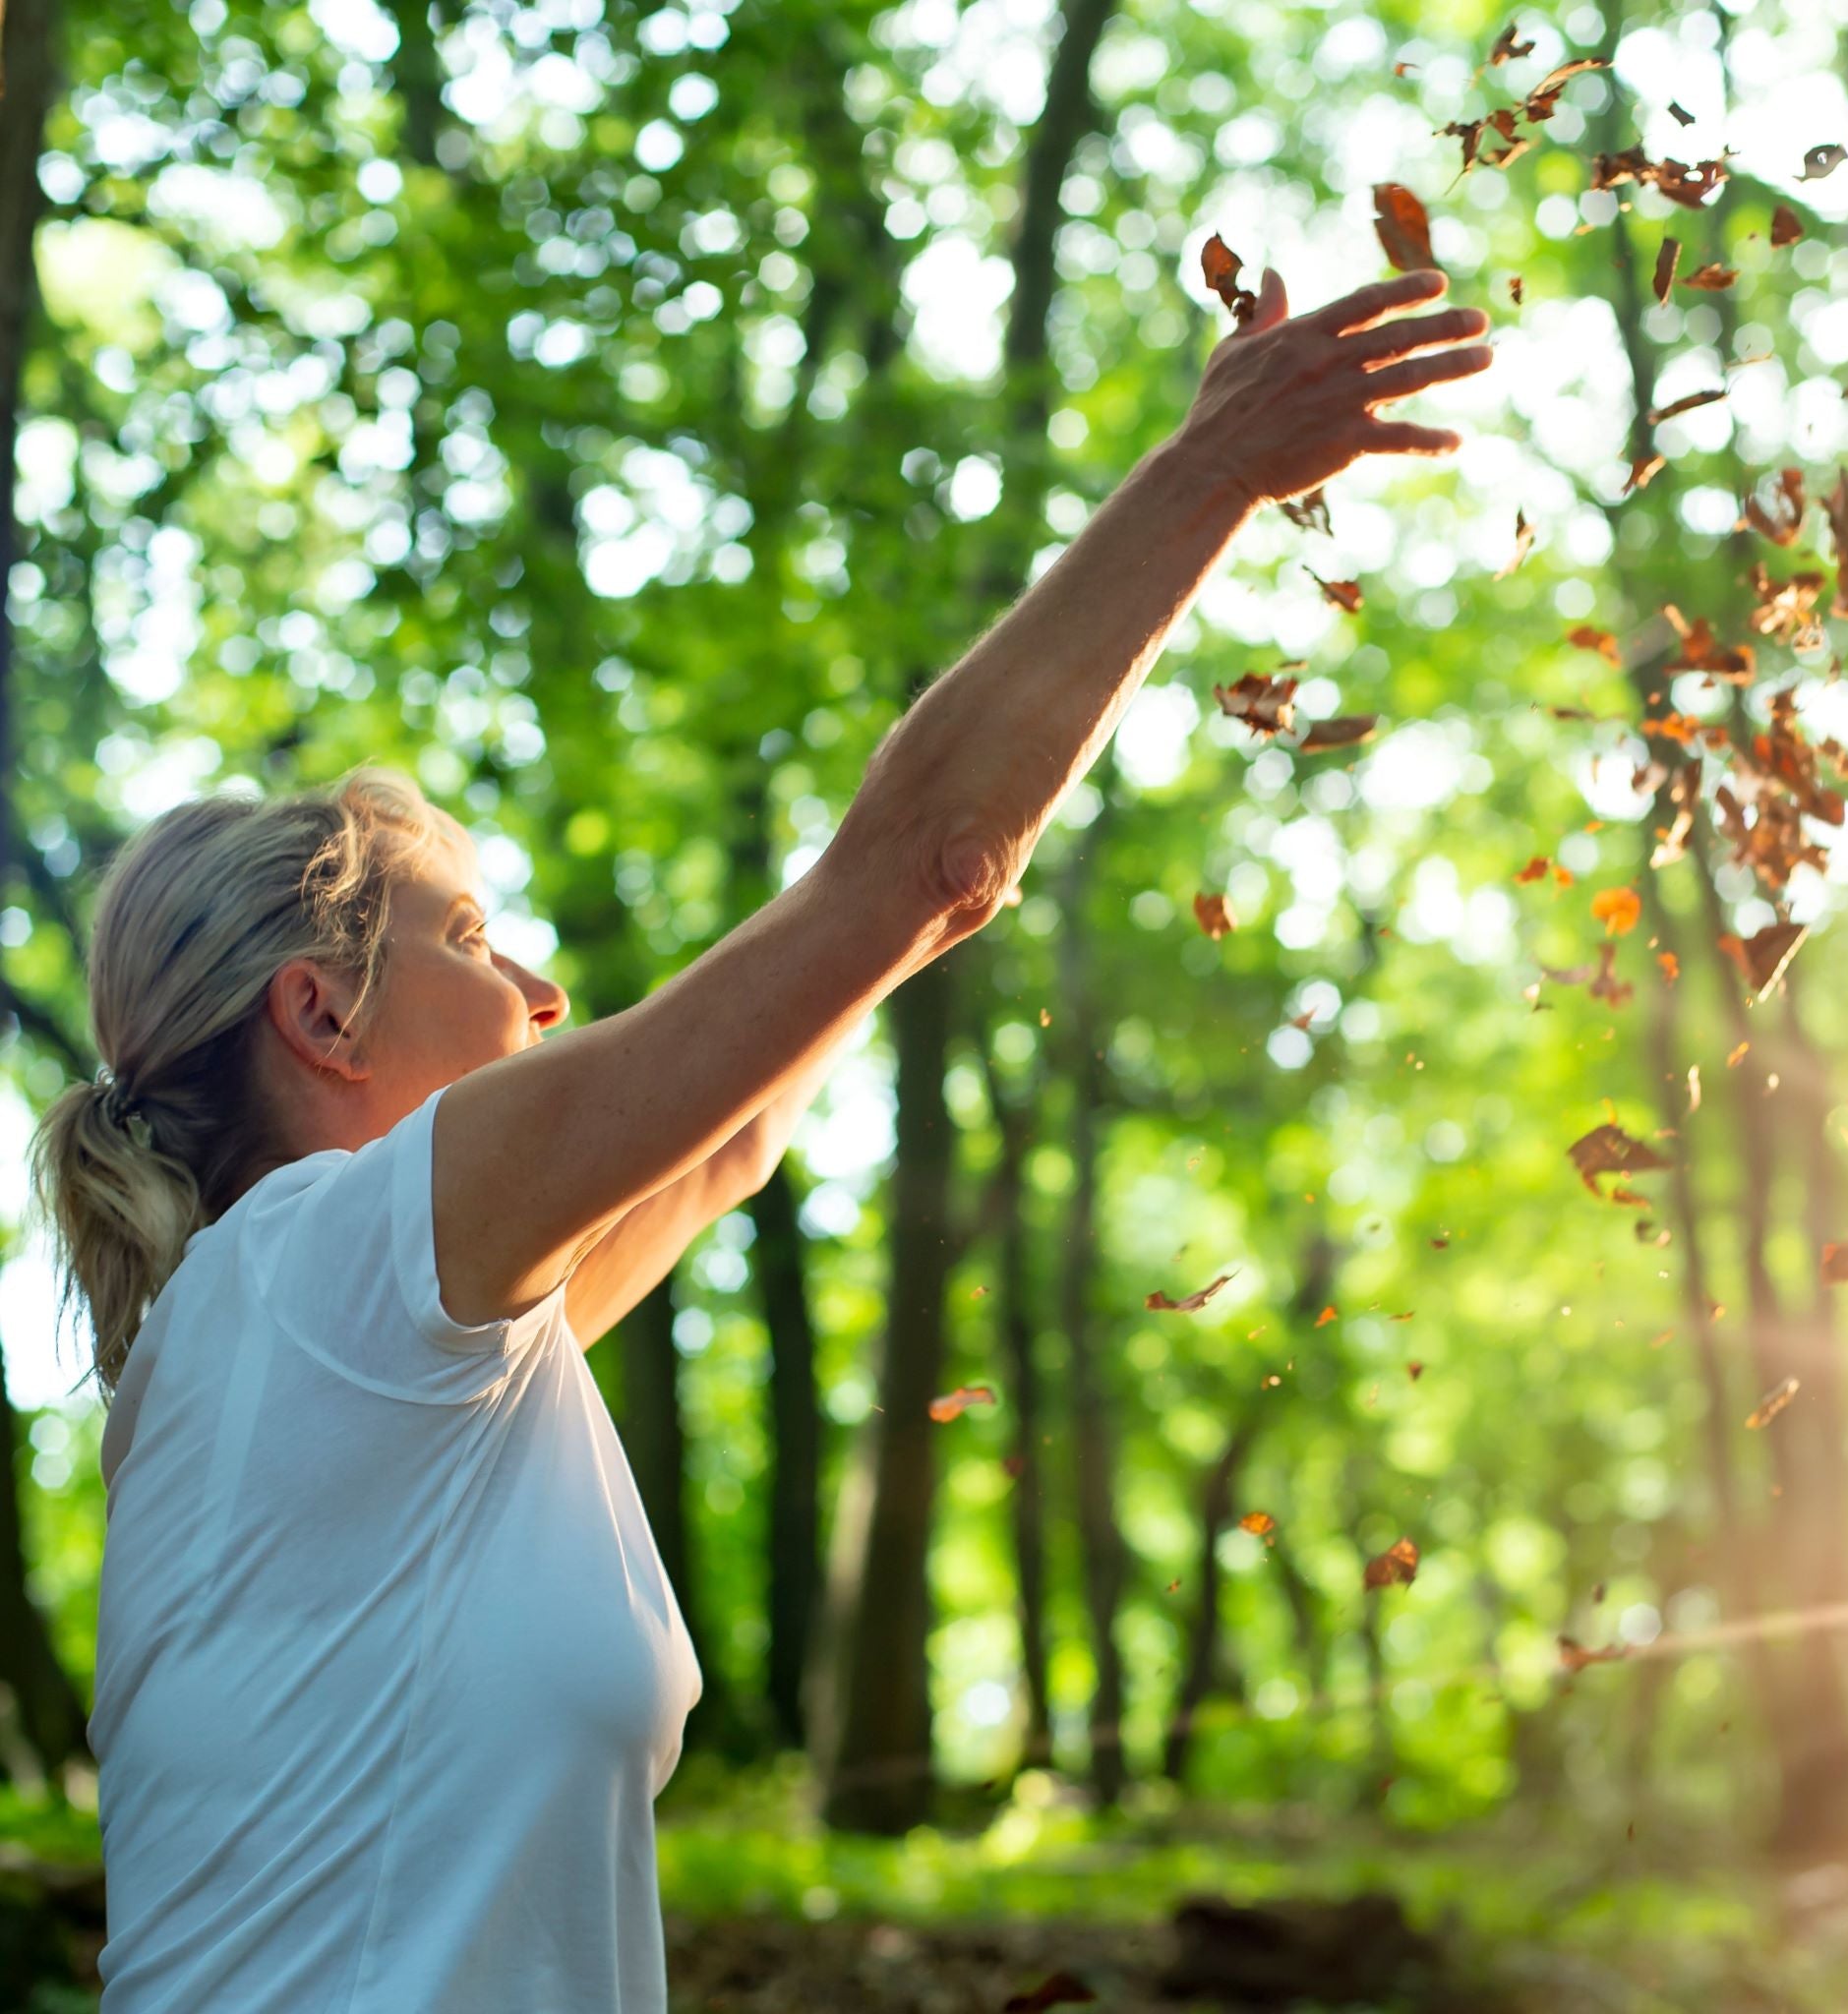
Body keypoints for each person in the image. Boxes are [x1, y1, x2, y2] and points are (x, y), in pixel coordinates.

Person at [28, 262, 1490, 2012]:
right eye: (477, 940)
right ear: (324, 1019)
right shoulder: (330, 1269)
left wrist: (903, 924)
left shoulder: (350, 1358)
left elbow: (737, 1133)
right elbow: (915, 859)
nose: (549, 990)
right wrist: (1204, 478)